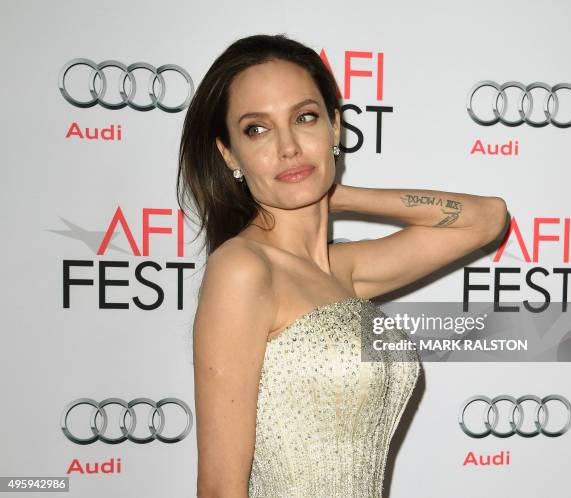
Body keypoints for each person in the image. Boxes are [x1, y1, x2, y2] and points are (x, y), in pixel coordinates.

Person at [176, 33, 508, 498]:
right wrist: (309, 182)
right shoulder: (243, 269)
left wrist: (331, 193)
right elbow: (219, 488)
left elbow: (486, 218)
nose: (288, 146)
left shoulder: (344, 269)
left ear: (335, 127)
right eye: (257, 129)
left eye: (304, 118)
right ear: (229, 154)